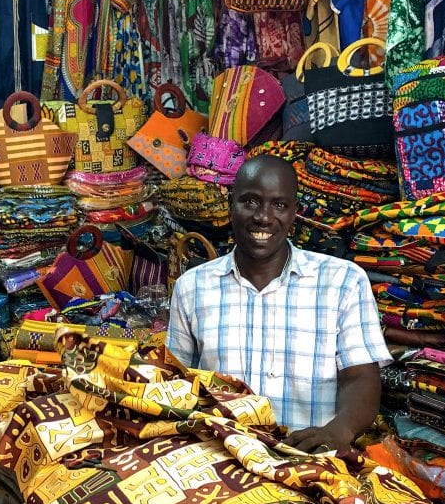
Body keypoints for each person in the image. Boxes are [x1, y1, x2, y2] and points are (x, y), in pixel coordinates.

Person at [166, 155, 392, 453]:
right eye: (250, 201)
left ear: (294, 213)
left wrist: (338, 431)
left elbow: (360, 378)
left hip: (311, 461)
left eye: (279, 205)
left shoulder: (343, 282)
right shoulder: (192, 287)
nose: (263, 216)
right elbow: (174, 382)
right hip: (220, 461)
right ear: (231, 206)